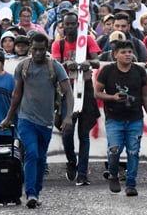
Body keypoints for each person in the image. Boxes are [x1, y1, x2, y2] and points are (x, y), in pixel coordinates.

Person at [0, 33, 73, 209]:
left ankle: (36, 192)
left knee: (40, 157)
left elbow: (68, 92)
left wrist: (68, 115)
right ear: (30, 48)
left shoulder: (55, 67)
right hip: (25, 119)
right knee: (31, 153)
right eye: (35, 49)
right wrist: (9, 117)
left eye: (41, 49)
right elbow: (16, 94)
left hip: (46, 121)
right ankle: (30, 193)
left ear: (46, 48)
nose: (38, 53)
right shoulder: (22, 67)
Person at [95, 39, 147, 197]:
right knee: (114, 150)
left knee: (133, 152)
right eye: (123, 52)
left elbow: (145, 96)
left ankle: (131, 184)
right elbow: (97, 93)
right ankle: (114, 174)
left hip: (135, 118)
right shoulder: (107, 71)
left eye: (130, 52)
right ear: (115, 54)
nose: (128, 55)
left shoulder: (139, 71)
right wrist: (113, 97)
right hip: (114, 118)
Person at [50, 12, 101, 186]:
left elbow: (97, 61)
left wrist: (87, 62)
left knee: (83, 133)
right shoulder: (59, 44)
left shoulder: (87, 40)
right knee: (67, 130)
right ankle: (71, 160)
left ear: (78, 25)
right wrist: (66, 65)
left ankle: (82, 173)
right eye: (67, 24)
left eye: (73, 24)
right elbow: (55, 65)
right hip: (67, 90)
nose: (70, 27)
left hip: (85, 88)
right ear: (63, 26)